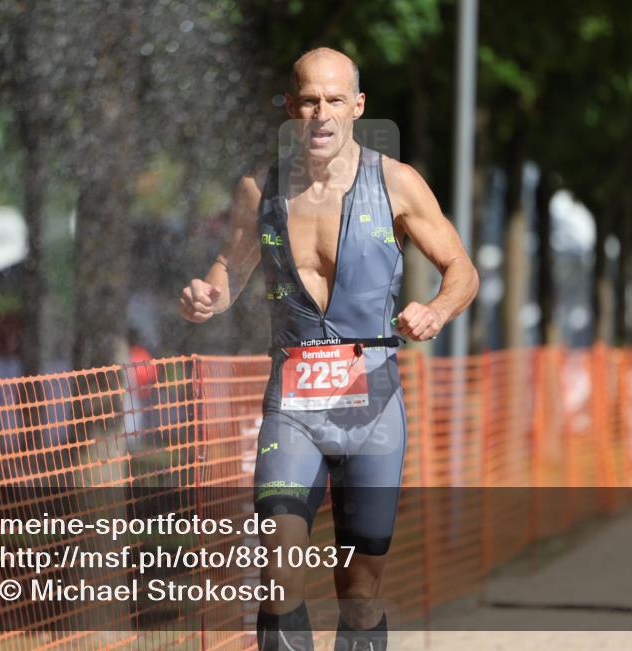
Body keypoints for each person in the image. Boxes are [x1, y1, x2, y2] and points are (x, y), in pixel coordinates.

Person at [179, 47, 478, 650]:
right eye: (310, 101)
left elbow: (462, 269)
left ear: (357, 106)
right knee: (278, 571)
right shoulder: (258, 188)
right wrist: (209, 294)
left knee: (359, 591)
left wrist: (436, 310)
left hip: (373, 412)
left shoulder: (395, 183)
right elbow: (232, 266)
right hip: (292, 410)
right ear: (290, 107)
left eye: (335, 100)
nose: (322, 114)